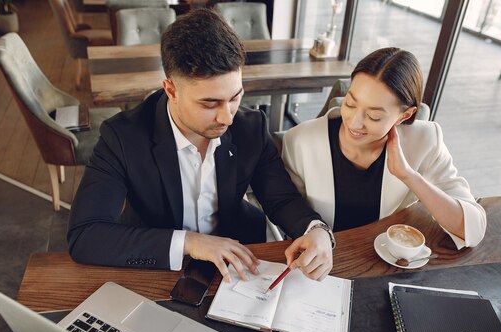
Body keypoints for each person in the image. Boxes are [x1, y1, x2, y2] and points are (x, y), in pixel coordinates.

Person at [67, 9, 335, 282]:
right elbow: (85, 235)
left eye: (235, 97)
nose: (227, 116)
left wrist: (316, 229)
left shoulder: (250, 127)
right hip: (158, 263)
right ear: (171, 90)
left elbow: (282, 198)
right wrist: (190, 243)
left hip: (239, 257)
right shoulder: (123, 137)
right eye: (210, 103)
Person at [282, 47, 486, 248]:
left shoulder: (425, 141)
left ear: (404, 115)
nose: (354, 123)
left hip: (388, 262)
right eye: (350, 104)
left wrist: (408, 175)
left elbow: (473, 228)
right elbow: (289, 212)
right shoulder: (300, 141)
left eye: (374, 116)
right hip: (324, 262)